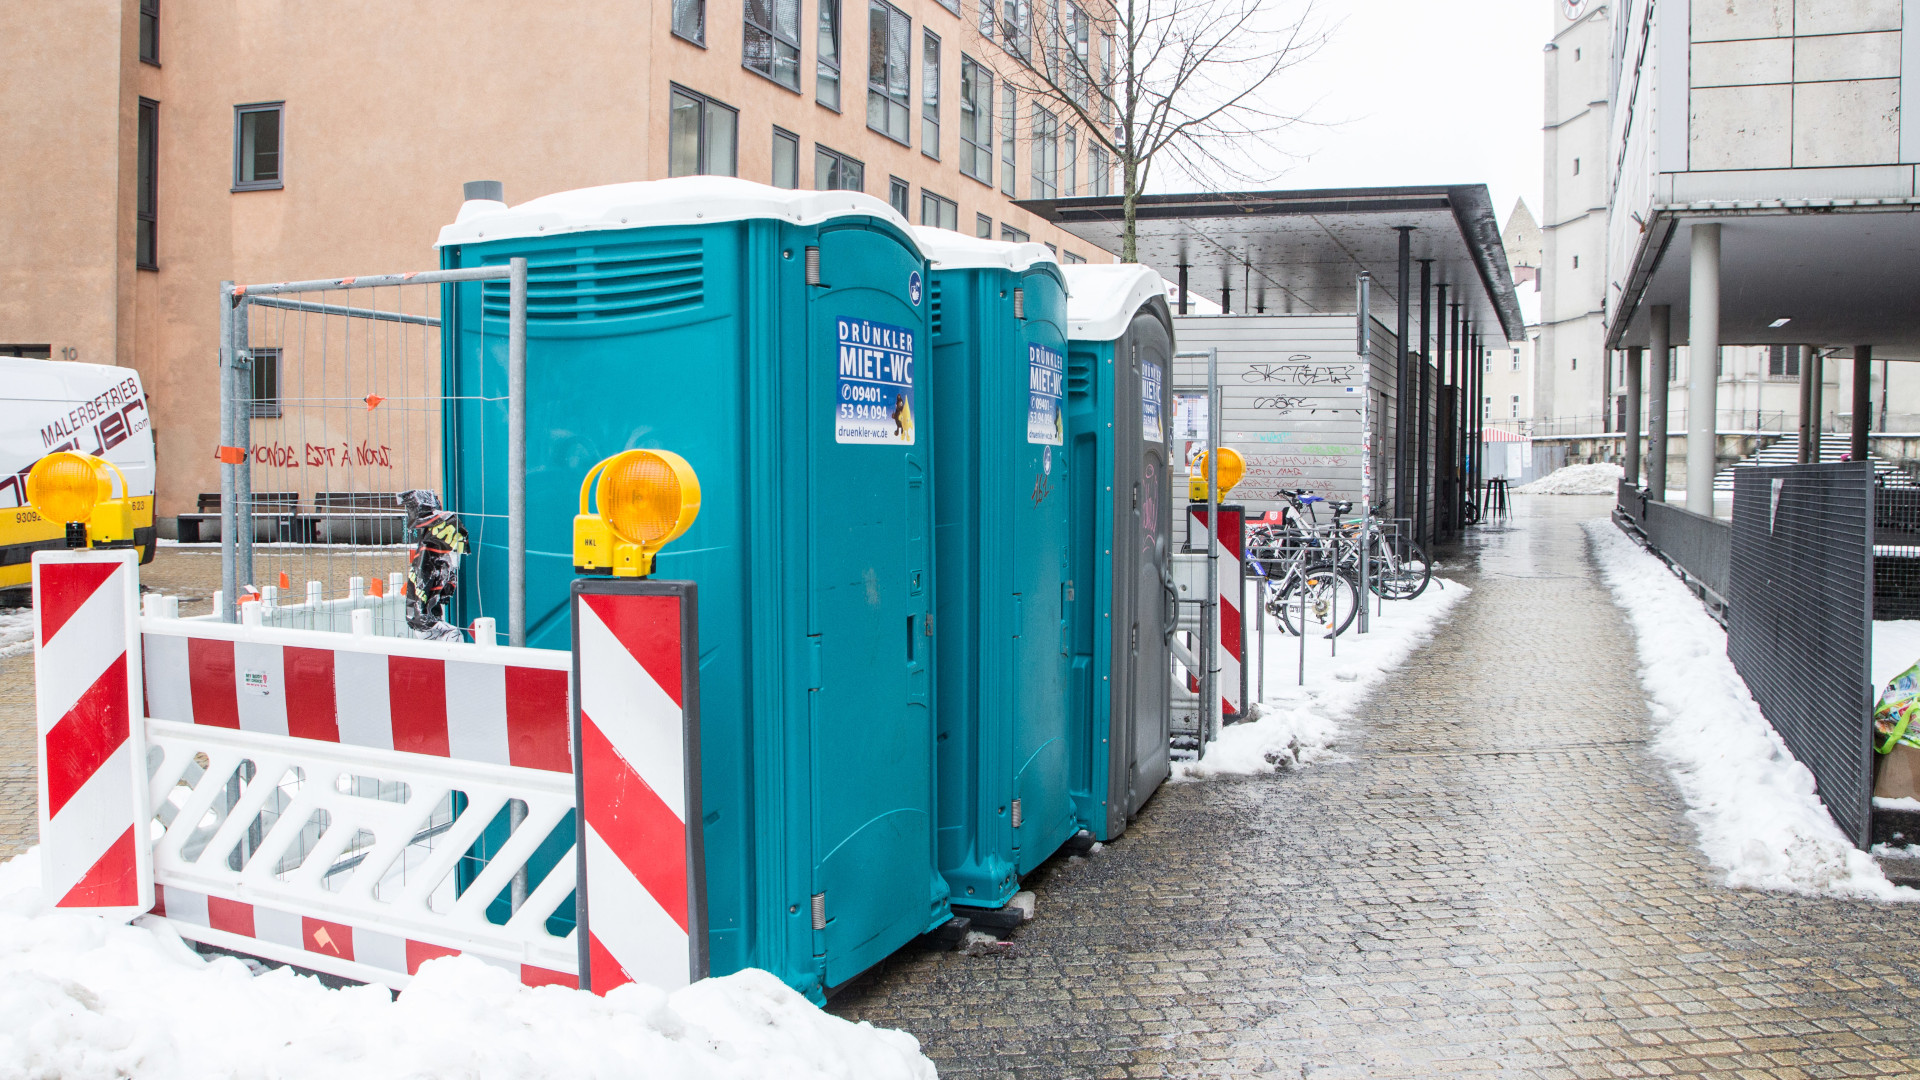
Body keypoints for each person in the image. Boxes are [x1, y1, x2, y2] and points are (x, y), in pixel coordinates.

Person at [399, 489, 468, 642]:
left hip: (425, 619)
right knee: (454, 636)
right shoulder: (427, 548)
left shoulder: (428, 545)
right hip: (425, 620)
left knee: (452, 636)